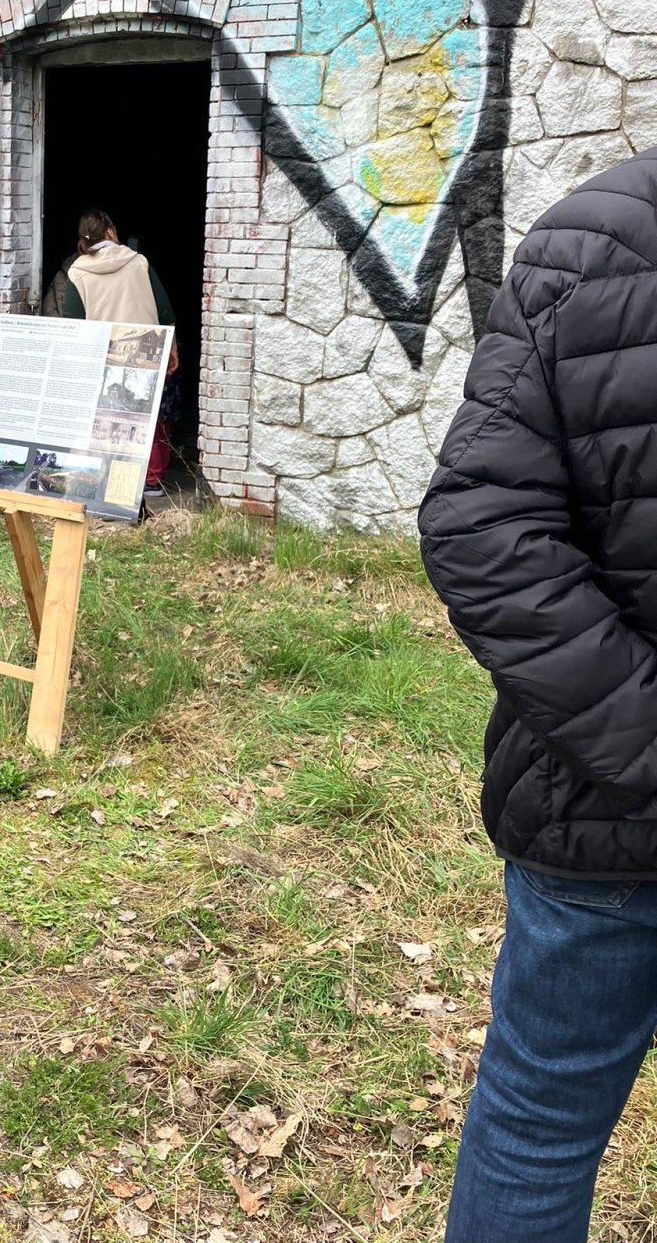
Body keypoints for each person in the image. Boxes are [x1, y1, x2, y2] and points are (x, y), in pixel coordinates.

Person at [419, 147, 657, 1242]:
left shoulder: (591, 233)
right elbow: (480, 526)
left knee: (537, 1123)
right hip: (605, 819)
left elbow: (479, 525)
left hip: (595, 804)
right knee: (542, 1120)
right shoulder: (600, 238)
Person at [63, 208, 178, 497]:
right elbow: (164, 310)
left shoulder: (77, 272)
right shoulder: (138, 262)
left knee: (106, 423)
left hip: (103, 357)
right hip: (145, 354)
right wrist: (172, 347)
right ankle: (144, 484)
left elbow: (73, 324)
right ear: (111, 231)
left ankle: (105, 487)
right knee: (142, 419)